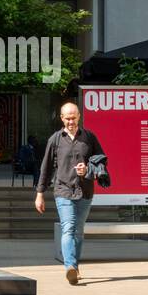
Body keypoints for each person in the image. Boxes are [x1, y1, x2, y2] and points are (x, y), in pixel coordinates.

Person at [34, 101, 106, 285]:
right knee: (68, 228)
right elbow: (46, 168)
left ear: (79, 116)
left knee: (78, 232)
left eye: (73, 118)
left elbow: (101, 161)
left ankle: (75, 266)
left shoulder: (89, 137)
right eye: (67, 118)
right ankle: (70, 267)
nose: (71, 122)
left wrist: (88, 168)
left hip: (85, 190)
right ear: (61, 118)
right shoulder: (55, 139)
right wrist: (40, 193)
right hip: (63, 190)